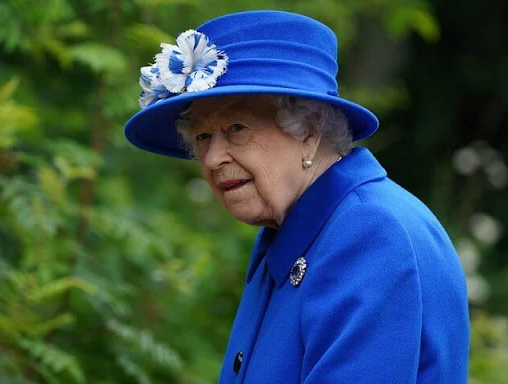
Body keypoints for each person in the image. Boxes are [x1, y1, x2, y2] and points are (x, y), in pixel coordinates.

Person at [124, 10, 469, 384]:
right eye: (203, 136)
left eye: (236, 128)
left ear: (310, 128)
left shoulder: (369, 234)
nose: (211, 158)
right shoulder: (292, 230)